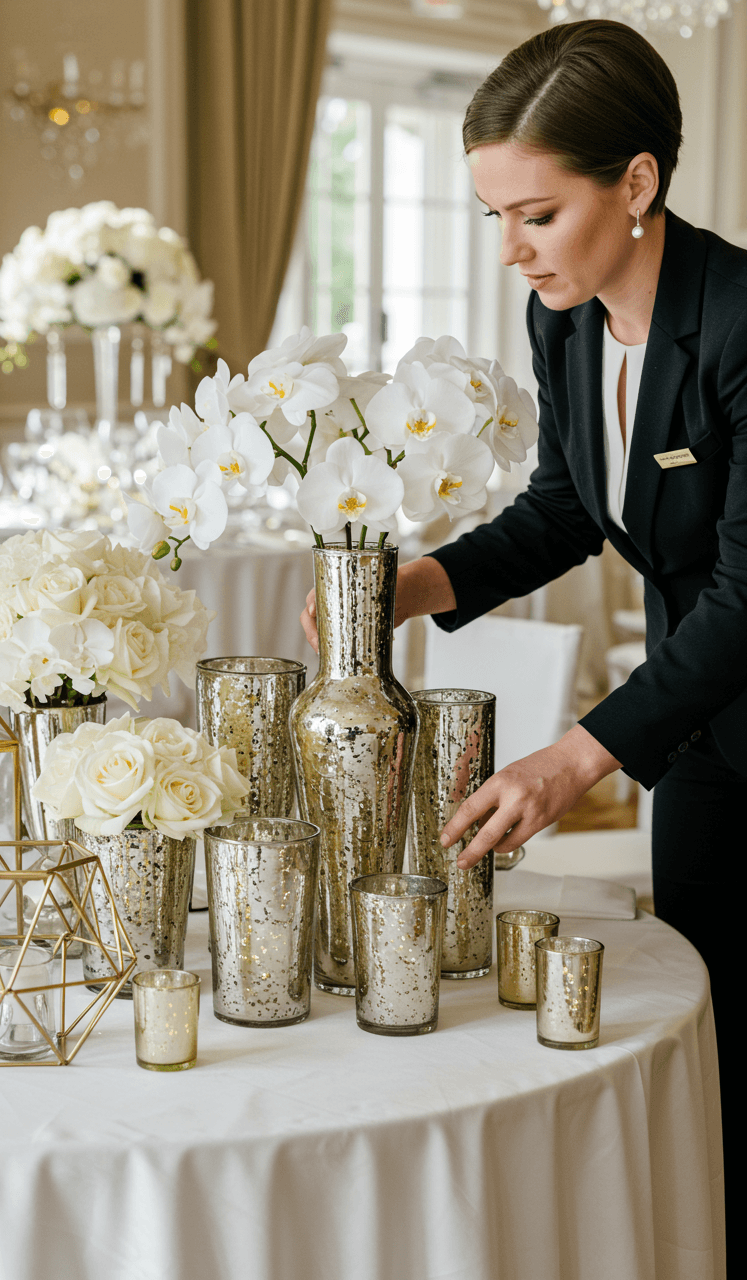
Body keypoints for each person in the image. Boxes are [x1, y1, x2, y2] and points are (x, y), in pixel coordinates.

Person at [301, 12, 736, 1227]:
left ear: (635, 180)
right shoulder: (565, 316)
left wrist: (572, 755)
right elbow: (562, 510)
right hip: (698, 744)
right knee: (715, 1040)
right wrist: (411, 585)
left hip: (700, 695)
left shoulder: (743, 324)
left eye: (533, 214)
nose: (508, 250)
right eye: (492, 216)